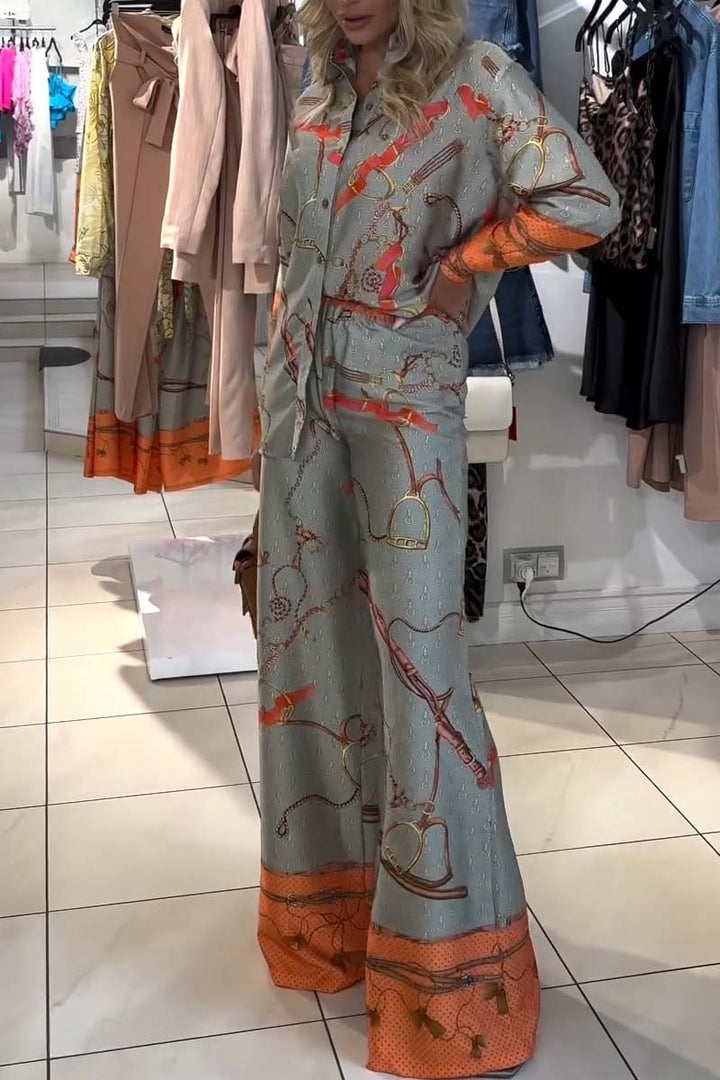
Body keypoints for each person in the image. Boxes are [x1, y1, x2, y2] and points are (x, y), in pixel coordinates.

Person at [255, 1, 618, 1076]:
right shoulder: (319, 90)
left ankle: (453, 990)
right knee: (309, 671)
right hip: (300, 418)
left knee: (425, 688)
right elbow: (294, 258)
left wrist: (469, 264)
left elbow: (586, 199)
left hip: (404, 419)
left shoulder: (477, 76)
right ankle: (331, 932)